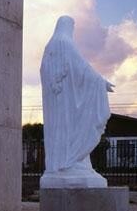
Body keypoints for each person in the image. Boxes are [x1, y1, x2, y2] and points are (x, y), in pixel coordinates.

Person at [39, 15, 114, 188]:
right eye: (72, 26)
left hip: (56, 106)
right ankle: (69, 163)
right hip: (67, 106)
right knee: (72, 133)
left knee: (61, 134)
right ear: (67, 26)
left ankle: (60, 164)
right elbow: (82, 68)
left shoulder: (49, 47)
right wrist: (101, 82)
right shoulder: (66, 43)